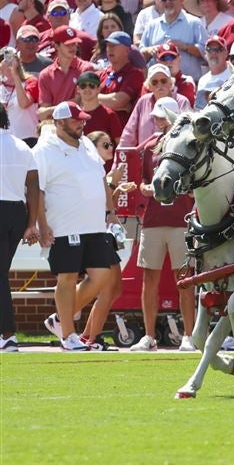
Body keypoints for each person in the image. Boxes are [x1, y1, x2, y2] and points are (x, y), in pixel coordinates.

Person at [30, 101, 119, 351]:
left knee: (101, 277)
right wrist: (42, 225)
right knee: (67, 278)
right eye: (75, 120)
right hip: (64, 225)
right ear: (58, 123)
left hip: (95, 225)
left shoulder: (88, 145)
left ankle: (60, 319)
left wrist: (111, 213)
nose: (81, 123)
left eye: (82, 119)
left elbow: (102, 179)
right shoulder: (44, 150)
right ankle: (68, 334)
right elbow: (37, 190)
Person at [130, 96, 197, 352]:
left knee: (185, 279)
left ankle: (189, 336)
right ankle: (148, 337)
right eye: (156, 117)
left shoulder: (188, 144)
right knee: (149, 278)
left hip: (180, 221)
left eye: (161, 116)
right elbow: (143, 182)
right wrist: (145, 189)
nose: (158, 121)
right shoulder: (148, 147)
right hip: (153, 221)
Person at [0, 103, 39, 352]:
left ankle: (7, 334)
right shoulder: (22, 145)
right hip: (17, 213)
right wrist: (31, 223)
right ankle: (7, 334)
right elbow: (34, 187)